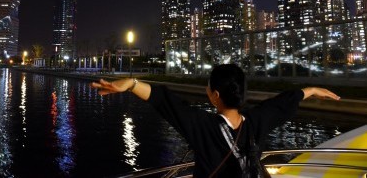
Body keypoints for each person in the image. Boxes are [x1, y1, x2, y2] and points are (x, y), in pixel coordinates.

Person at [91, 64, 340, 177]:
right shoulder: (257, 121)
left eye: (209, 88)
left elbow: (166, 101)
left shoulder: (203, 126)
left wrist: (132, 84)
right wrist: (310, 90)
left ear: (215, 96)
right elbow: (282, 103)